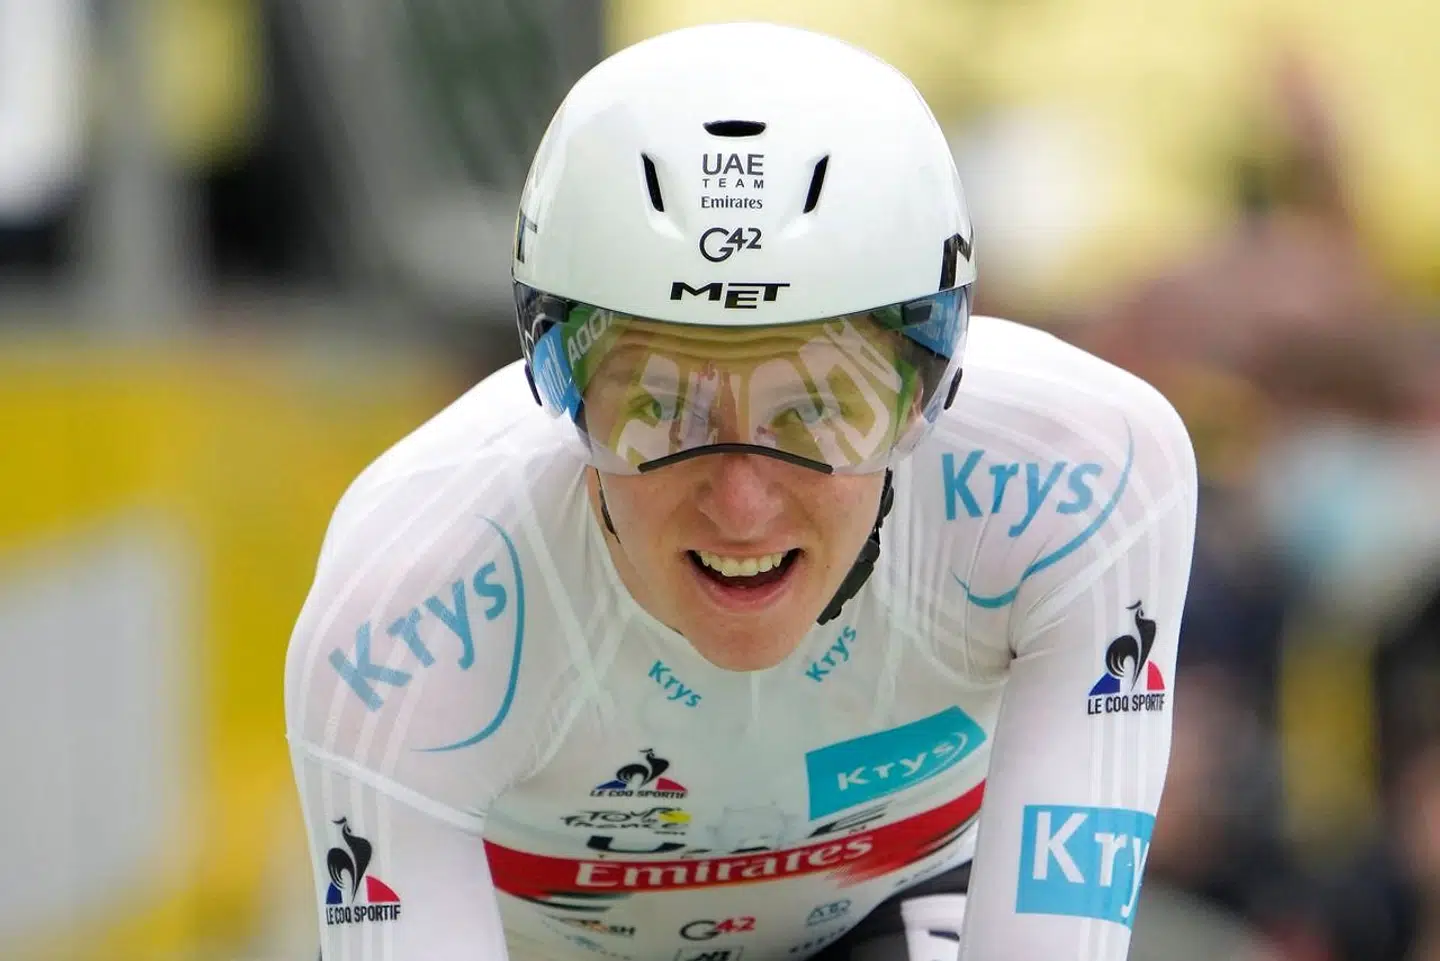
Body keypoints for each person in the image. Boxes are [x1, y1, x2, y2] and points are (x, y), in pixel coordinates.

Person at [284, 21, 1198, 961]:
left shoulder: (1086, 478)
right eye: (661, 410)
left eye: (816, 411)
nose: (742, 505)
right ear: (557, 386)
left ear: (928, 391)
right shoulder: (404, 612)